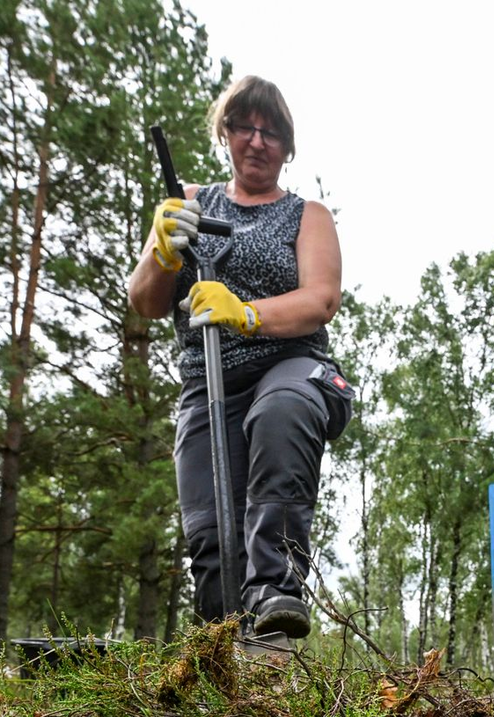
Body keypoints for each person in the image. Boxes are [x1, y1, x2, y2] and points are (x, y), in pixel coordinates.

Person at [128, 75, 352, 640]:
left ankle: (276, 596)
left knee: (282, 411)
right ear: (225, 134)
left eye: (271, 132)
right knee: (211, 536)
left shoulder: (308, 215)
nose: (257, 140)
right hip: (209, 385)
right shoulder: (191, 204)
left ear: (288, 146)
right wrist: (162, 252)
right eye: (244, 128)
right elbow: (146, 302)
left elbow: (320, 299)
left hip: (290, 366)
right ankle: (229, 661)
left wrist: (246, 312)